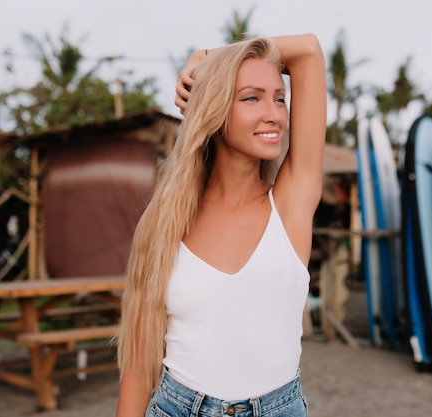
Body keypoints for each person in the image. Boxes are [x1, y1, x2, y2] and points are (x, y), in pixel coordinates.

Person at [116, 33, 326, 417]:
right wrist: (215, 68)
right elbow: (139, 361)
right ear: (213, 110)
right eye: (251, 97)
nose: (275, 114)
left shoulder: (291, 205)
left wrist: (208, 56)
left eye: (280, 98)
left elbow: (309, 51)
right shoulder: (165, 223)